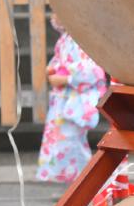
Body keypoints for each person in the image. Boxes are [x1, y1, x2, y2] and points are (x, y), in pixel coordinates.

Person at [37, 11, 108, 185]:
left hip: (76, 98)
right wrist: (52, 70)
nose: (53, 17)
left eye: (57, 12)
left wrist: (66, 78)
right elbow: (58, 62)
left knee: (71, 140)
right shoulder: (66, 39)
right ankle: (78, 183)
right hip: (65, 98)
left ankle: (88, 182)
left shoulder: (81, 40)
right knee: (65, 140)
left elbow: (93, 71)